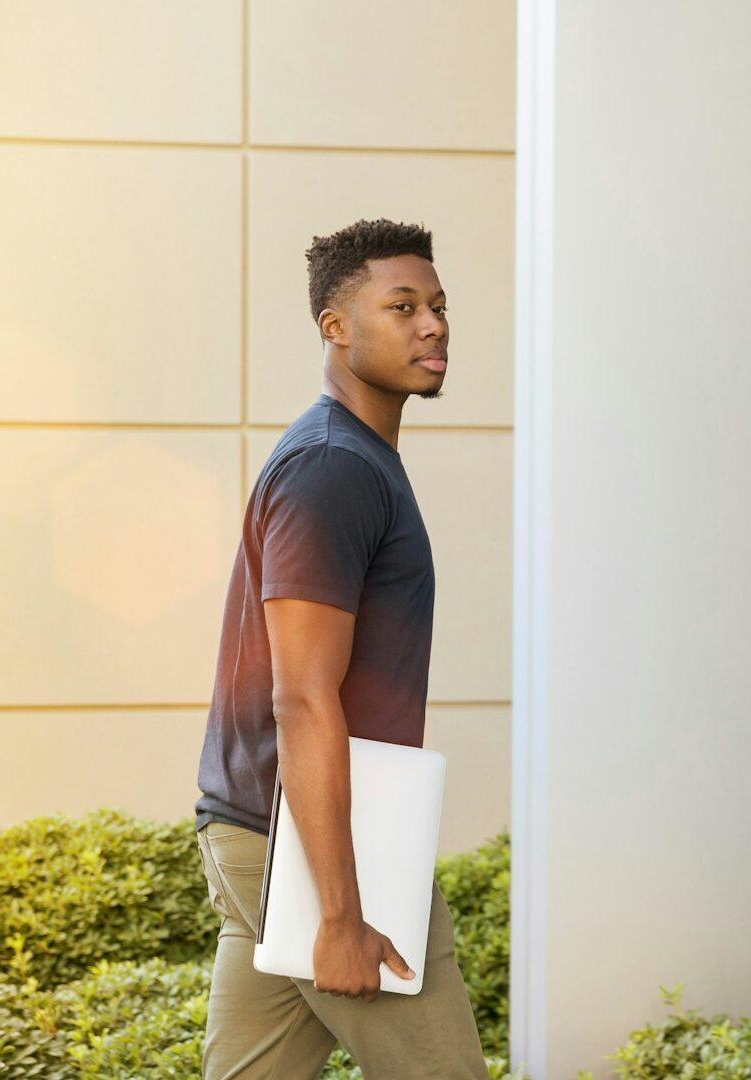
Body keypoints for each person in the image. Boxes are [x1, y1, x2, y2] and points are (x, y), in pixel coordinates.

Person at [191, 218, 490, 1078]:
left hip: (272, 832)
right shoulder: (333, 469)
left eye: (437, 306)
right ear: (334, 326)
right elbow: (302, 697)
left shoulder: (354, 459)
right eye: (401, 307)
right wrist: (339, 914)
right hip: (317, 839)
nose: (431, 325)